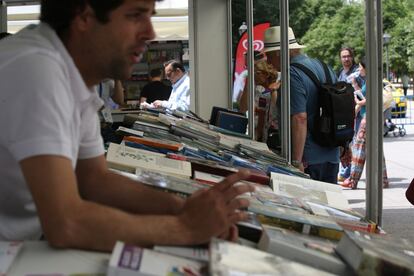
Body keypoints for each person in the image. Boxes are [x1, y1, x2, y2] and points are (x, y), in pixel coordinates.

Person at [0, 0, 254, 251]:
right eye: (135, 15)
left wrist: (182, 209)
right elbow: (67, 223)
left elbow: (94, 179)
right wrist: (185, 228)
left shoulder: (72, 73)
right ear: (83, 17)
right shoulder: (35, 69)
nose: (150, 32)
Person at [263, 26, 340, 184]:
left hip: (308, 159)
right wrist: (345, 145)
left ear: (279, 52)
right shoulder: (324, 67)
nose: (268, 61)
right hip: (331, 155)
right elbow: (338, 108)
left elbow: (299, 118)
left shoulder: (292, 74)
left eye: (269, 55)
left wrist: (297, 162)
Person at [341, 57, 389, 189]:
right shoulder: (373, 80)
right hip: (373, 118)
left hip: (368, 118)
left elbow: (370, 99)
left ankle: (352, 180)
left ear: (367, 68)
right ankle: (382, 179)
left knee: (359, 149)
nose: (359, 69)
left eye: (361, 67)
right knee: (376, 150)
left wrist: (359, 103)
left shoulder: (373, 82)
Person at [337, 47, 365, 183]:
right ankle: (346, 171)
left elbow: (362, 94)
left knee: (354, 144)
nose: (346, 59)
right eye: (343, 56)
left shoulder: (357, 73)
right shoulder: (341, 73)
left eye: (348, 56)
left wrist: (354, 84)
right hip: (345, 113)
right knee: (347, 142)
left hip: (357, 115)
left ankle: (347, 173)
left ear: (352, 57)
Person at [239, 53, 280, 144]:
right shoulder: (259, 90)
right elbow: (243, 108)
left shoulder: (278, 87)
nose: (254, 76)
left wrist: (273, 92)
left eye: (257, 73)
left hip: (275, 138)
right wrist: (248, 82)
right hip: (261, 137)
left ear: (266, 74)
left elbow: (276, 112)